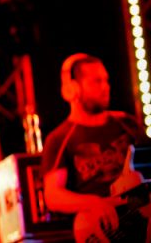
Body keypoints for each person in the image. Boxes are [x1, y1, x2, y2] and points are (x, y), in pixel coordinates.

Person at [40, 53, 150, 242]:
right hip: (103, 229)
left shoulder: (126, 123)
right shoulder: (59, 139)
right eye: (96, 81)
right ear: (73, 89)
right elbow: (53, 196)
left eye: (106, 80)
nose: (105, 87)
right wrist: (94, 203)